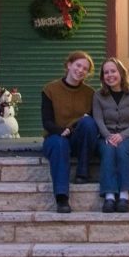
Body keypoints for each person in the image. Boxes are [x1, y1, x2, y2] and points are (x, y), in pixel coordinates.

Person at [40, 50, 98, 213]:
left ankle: (82, 173)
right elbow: (47, 122)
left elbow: (92, 121)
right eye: (78, 65)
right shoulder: (50, 89)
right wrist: (60, 131)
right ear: (69, 65)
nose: (80, 70)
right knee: (59, 144)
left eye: (85, 69)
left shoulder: (90, 93)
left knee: (88, 123)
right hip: (56, 136)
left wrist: (73, 127)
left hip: (78, 138)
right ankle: (62, 198)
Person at [92, 57, 129, 213]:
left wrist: (122, 136)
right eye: (106, 72)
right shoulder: (98, 96)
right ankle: (109, 196)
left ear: (121, 72)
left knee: (122, 148)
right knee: (108, 150)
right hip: (105, 138)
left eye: (113, 71)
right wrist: (108, 136)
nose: (110, 75)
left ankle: (124, 196)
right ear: (103, 77)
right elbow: (98, 120)